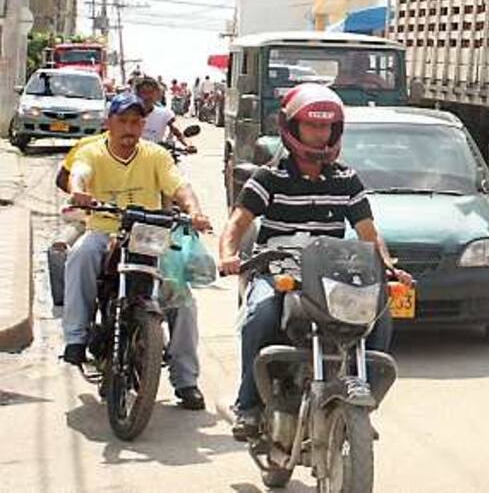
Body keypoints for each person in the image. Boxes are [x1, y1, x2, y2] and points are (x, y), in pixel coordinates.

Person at [218, 83, 409, 440]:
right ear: (291, 127)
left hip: (328, 270)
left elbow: (368, 231)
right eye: (313, 126)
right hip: (277, 267)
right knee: (261, 316)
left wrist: (387, 265)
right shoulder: (269, 177)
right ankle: (247, 404)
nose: (321, 135)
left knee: (379, 313)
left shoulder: (346, 179)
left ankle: (361, 399)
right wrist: (228, 255)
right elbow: (238, 222)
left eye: (327, 128)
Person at [62, 92, 213, 410]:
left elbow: (179, 186)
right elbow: (80, 173)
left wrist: (195, 211)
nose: (129, 128)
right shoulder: (92, 151)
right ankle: (75, 338)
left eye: (136, 121)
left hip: (150, 236)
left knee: (182, 300)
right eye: (123, 121)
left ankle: (186, 380)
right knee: (79, 256)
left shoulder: (156, 154)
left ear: (144, 124)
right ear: (109, 123)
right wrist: (79, 192)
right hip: (105, 230)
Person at [134, 76, 195, 152]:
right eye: (144, 92)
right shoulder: (128, 114)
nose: (148, 96)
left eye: (151, 92)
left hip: (157, 156)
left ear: (157, 94)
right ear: (137, 94)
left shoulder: (165, 114)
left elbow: (177, 129)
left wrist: (188, 144)